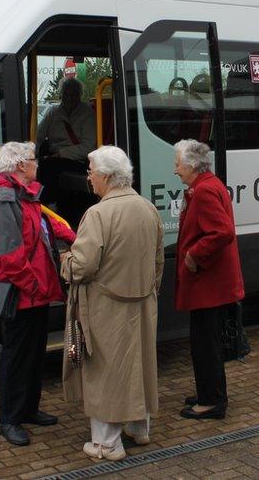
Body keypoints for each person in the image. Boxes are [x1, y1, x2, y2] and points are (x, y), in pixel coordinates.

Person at [60, 146, 164, 462]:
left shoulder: (98, 214)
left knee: (105, 371)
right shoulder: (148, 208)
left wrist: (65, 259)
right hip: (143, 302)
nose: (88, 177)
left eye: (90, 170)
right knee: (138, 364)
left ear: (106, 175)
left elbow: (83, 267)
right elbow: (158, 262)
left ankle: (107, 443)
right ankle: (139, 428)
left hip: (105, 307)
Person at [0, 141, 76, 446]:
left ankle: (29, 409)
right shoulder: (5, 200)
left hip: (34, 293)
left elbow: (48, 227)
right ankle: (8, 419)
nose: (38, 163)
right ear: (21, 165)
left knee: (33, 354)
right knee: (16, 357)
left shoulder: (25, 195)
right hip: (22, 292)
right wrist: (34, 286)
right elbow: (10, 258)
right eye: (34, 160)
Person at [172, 139, 245, 420]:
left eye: (177, 164)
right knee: (205, 341)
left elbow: (222, 232)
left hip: (208, 283)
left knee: (205, 343)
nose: (175, 171)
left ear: (191, 165)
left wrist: (193, 255)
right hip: (210, 283)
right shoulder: (207, 186)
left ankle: (212, 402)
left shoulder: (203, 191)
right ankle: (208, 392)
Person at [37, 77, 98, 223]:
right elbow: (38, 137)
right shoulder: (53, 112)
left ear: (79, 95)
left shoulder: (87, 113)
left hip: (79, 160)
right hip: (55, 159)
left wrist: (61, 154)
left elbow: (88, 147)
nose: (70, 98)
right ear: (61, 95)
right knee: (44, 167)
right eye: (67, 94)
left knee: (49, 168)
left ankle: (41, 206)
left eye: (74, 94)